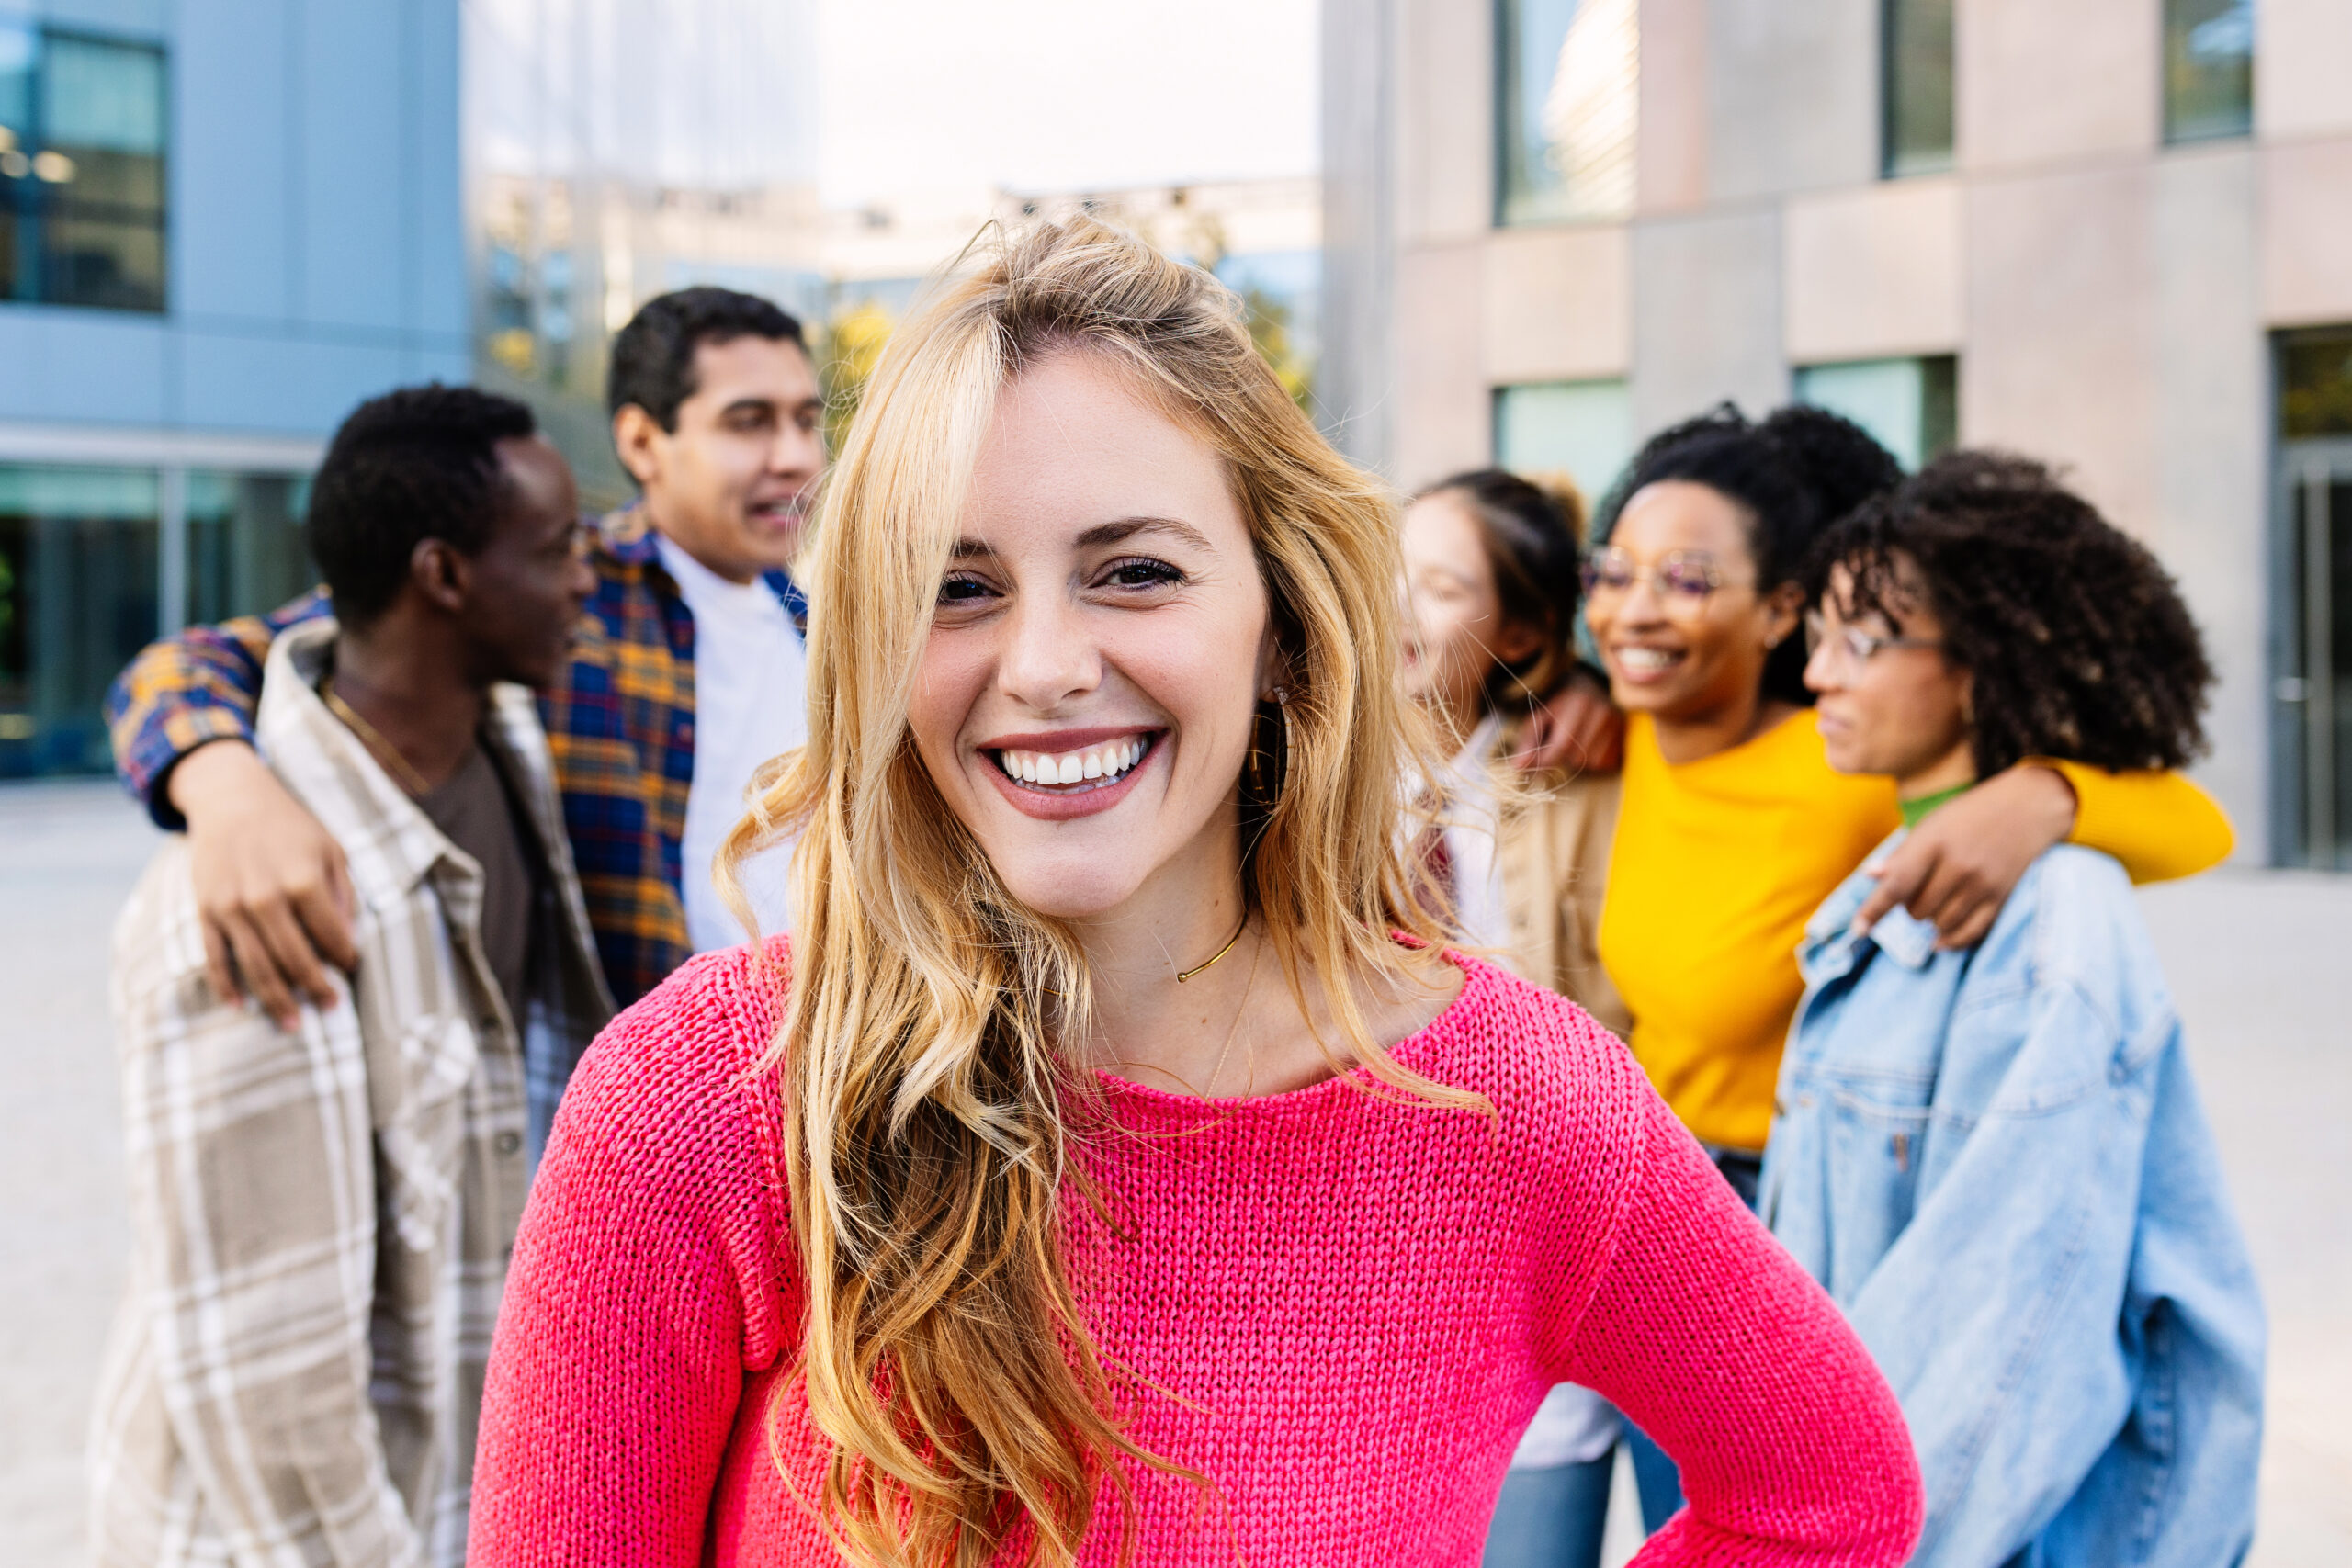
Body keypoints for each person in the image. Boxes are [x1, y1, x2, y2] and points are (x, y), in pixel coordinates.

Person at [465, 218, 1925, 1566]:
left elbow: (1832, 1495)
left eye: (1137, 571)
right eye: (957, 585)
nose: (1042, 664)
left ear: (1286, 625)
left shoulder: (1520, 1107)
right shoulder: (702, 1101)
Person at [1579, 403, 2236, 1522]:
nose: (1634, 608)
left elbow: (2195, 825)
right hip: (1657, 1224)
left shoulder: (1852, 765)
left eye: (1686, 580)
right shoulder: (1611, 739)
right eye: (1613, 572)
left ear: (1773, 608)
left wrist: (2046, 796)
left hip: (1784, 1219)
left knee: (1787, 1517)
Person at [86, 388, 615, 1566]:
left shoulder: (507, 744)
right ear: (442, 576)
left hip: (459, 1471)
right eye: (554, 549)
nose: (587, 577)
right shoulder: (255, 898)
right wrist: (215, 774)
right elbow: (264, 1369)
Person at [1762, 452, 2265, 1567]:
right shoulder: (1905, 872)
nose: (1820, 682)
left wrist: (1853, 1544)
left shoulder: (2051, 930)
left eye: (1861, 643)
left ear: (1982, 666)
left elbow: (2008, 1336)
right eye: (1815, 644)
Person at [104, 286, 826, 1018]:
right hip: (657, 1086)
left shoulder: (828, 624)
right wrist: (229, 795)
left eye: (806, 420)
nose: (795, 457)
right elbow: (185, 666)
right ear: (642, 441)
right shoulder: (559, 593)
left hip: (831, 1075)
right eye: (749, 423)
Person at [1397, 470, 1644, 1568]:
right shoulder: (1291, 770)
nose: (1397, 608)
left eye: (1440, 587)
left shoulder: (1581, 771)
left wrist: (1601, 689)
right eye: (1386, 572)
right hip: (1408, 1266)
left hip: (1573, 1246)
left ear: (1530, 629)